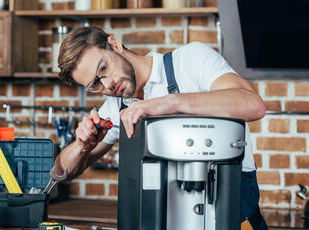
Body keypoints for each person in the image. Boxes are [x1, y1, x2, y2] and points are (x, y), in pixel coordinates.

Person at [54, 27, 268, 229]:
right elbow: (61, 173)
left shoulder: (190, 60)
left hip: (233, 220)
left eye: (103, 68)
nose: (107, 84)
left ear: (115, 45)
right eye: (95, 85)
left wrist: (170, 102)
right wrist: (81, 146)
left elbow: (253, 105)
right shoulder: (115, 108)